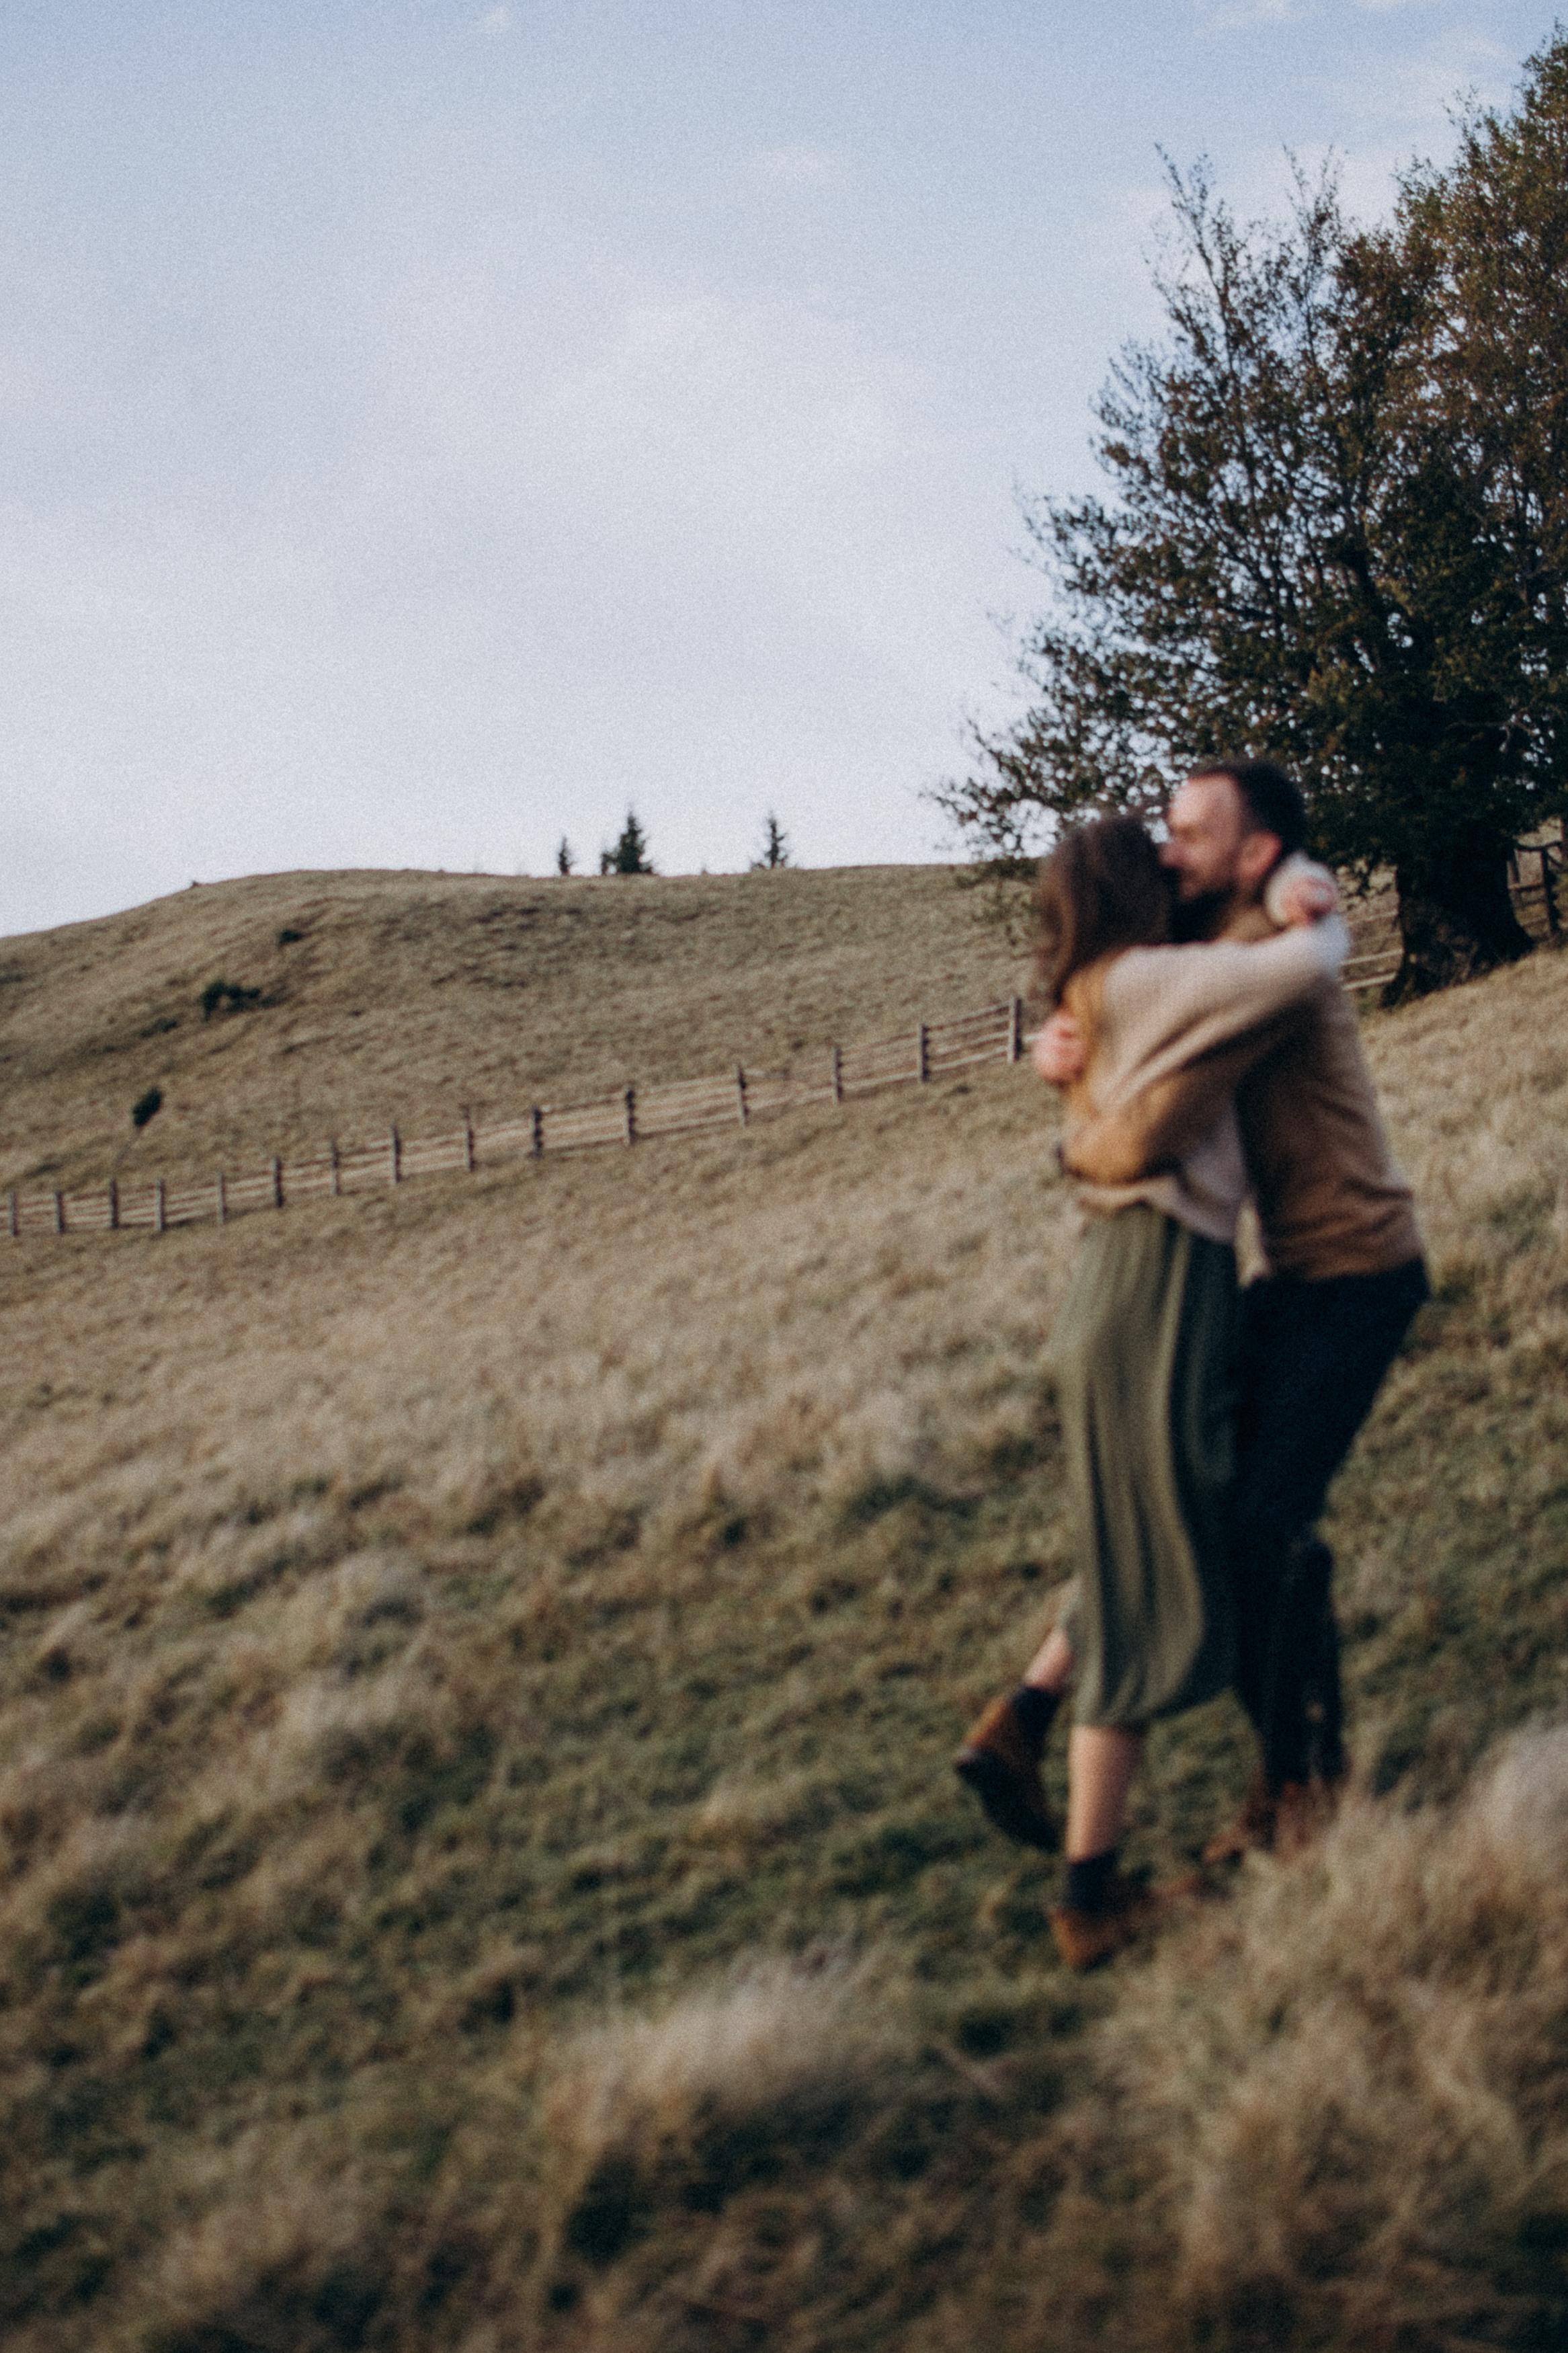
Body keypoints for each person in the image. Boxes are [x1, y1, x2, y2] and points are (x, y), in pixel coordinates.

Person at [962, 759, 1426, 1888]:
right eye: (1162, 832)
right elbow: (1134, 1024)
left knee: (1258, 1528)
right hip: (1294, 1276)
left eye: (1190, 831)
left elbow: (1151, 1121)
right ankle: (1052, 1715)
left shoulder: (1267, 940)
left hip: (1355, 1271)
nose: (1168, 848)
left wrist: (1080, 1131)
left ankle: (1300, 1785)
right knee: (1207, 1502)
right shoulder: (1218, 941)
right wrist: (1059, 1044)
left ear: (1258, 853)